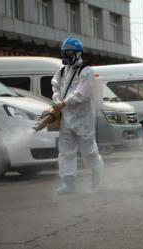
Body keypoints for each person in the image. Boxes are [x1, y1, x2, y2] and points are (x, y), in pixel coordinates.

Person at [51, 36, 104, 195]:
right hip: (66, 119)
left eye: (68, 53)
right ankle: (68, 183)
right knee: (66, 151)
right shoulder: (60, 72)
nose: (65, 56)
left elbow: (81, 94)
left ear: (77, 53)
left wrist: (64, 103)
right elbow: (55, 88)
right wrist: (57, 100)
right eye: (63, 53)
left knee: (88, 151)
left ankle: (97, 171)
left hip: (83, 119)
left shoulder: (86, 71)